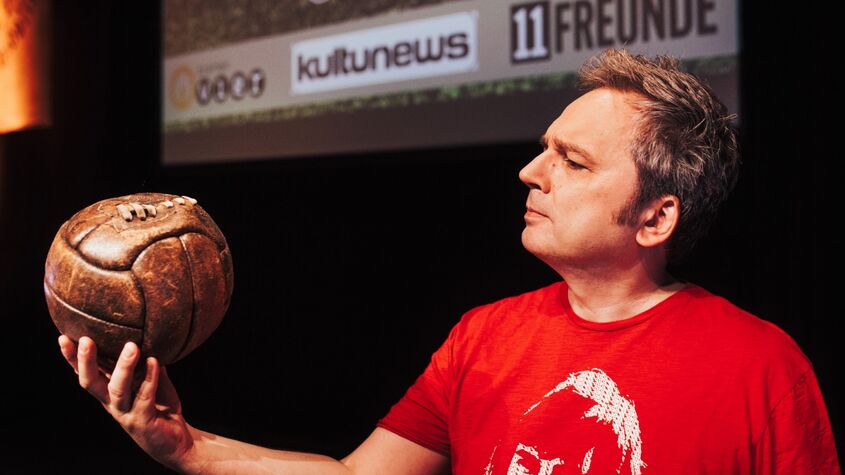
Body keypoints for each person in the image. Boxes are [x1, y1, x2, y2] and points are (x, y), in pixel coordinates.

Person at [58, 48, 840, 474]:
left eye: (571, 161)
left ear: (655, 216)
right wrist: (189, 447)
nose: (529, 172)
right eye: (543, 150)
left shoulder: (760, 366)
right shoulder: (483, 336)